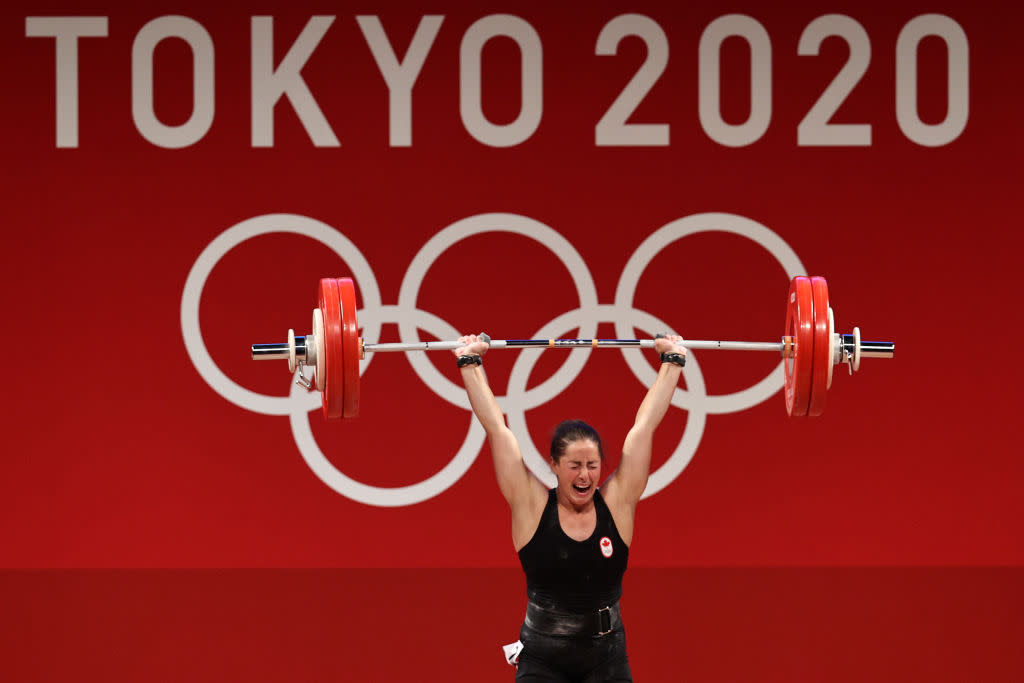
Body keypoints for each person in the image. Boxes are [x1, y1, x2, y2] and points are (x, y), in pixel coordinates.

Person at [454, 333, 688, 682]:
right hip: (542, 658)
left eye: (592, 465)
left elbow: (644, 427)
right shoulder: (531, 504)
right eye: (574, 465)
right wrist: (470, 363)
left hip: (606, 657)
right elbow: (497, 430)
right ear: (554, 465)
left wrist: (672, 363)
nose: (584, 475)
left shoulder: (617, 502)